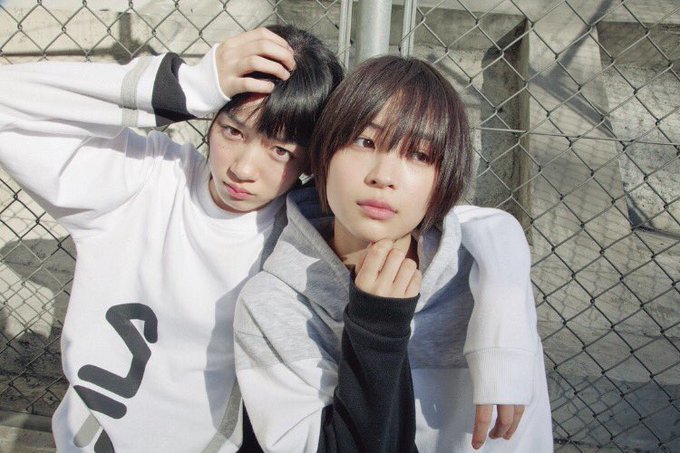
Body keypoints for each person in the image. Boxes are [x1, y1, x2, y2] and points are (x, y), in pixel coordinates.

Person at [0, 25, 342, 452]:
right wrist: (186, 87)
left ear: (309, 160)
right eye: (233, 132)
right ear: (211, 117)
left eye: (280, 151)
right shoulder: (146, 181)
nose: (242, 168)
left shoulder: (301, 245)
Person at [234, 55, 553, 452]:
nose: (383, 177)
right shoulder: (274, 304)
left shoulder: (485, 276)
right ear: (324, 153)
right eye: (365, 142)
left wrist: (502, 335)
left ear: (444, 178)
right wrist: (376, 330)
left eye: (419, 154)